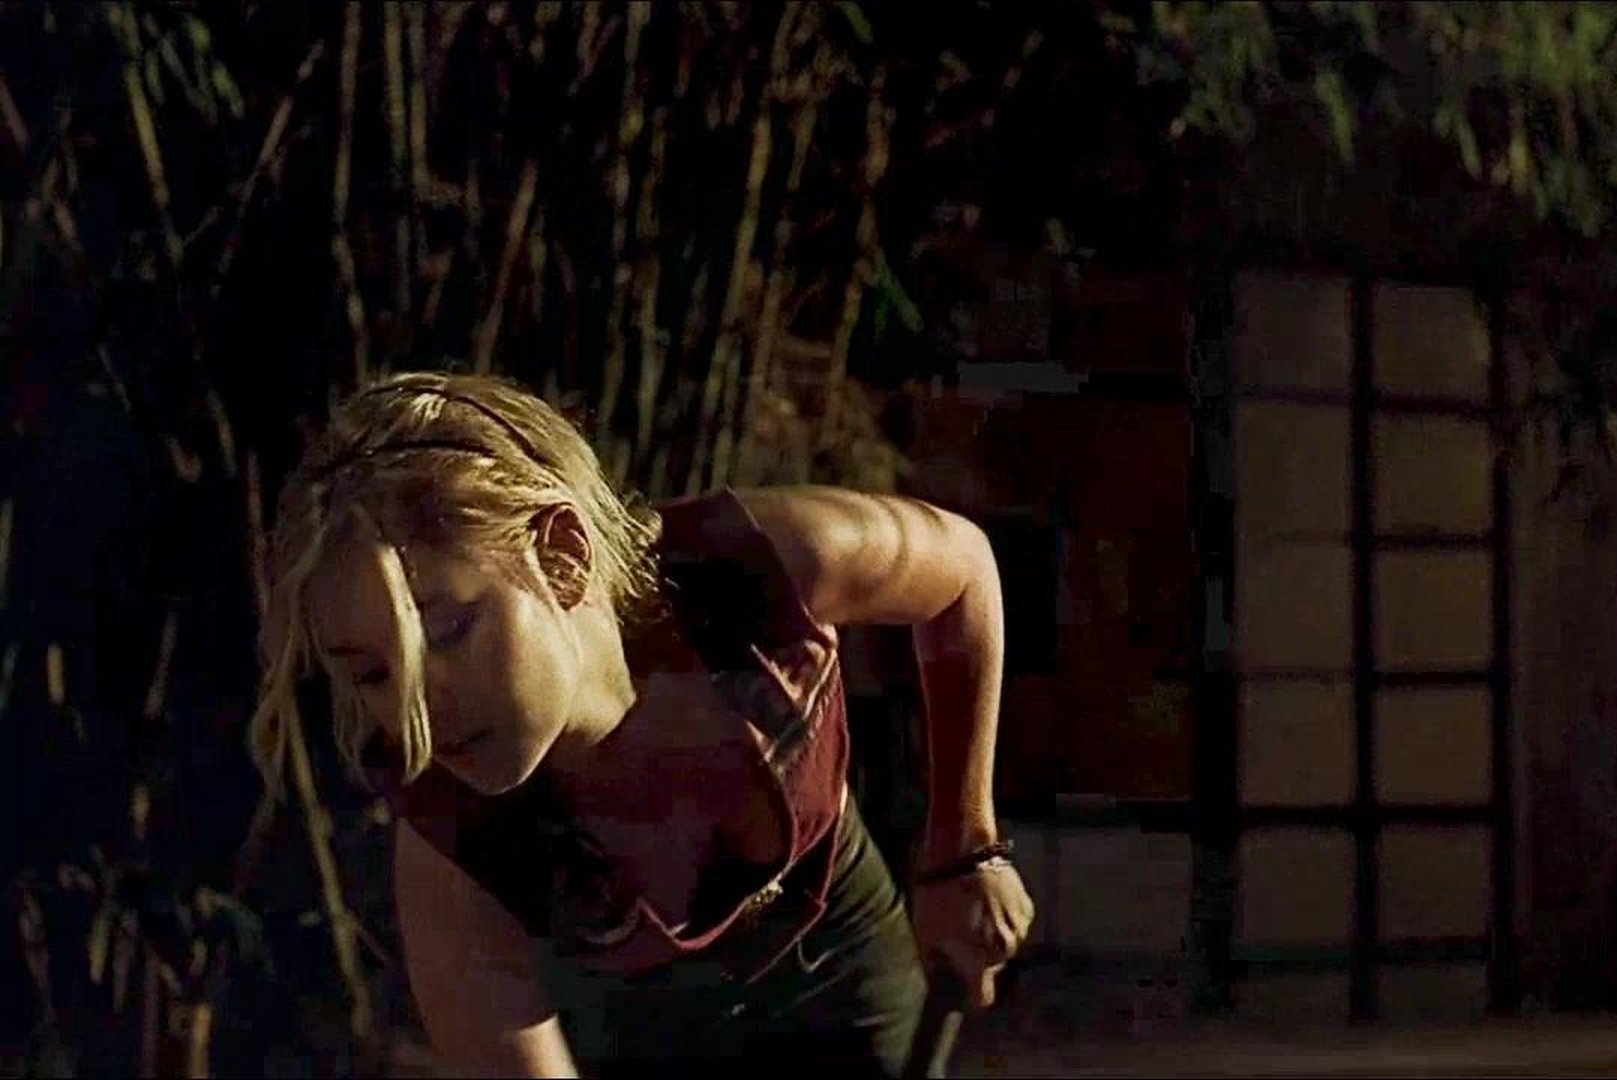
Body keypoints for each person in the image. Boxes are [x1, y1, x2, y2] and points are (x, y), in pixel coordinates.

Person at [247, 370, 1034, 1077]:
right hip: (638, 1040)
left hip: (843, 961)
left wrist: (964, 847)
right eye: (372, 674)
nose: (414, 709)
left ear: (562, 556)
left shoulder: (753, 569)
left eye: (448, 630)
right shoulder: (455, 841)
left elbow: (960, 571)